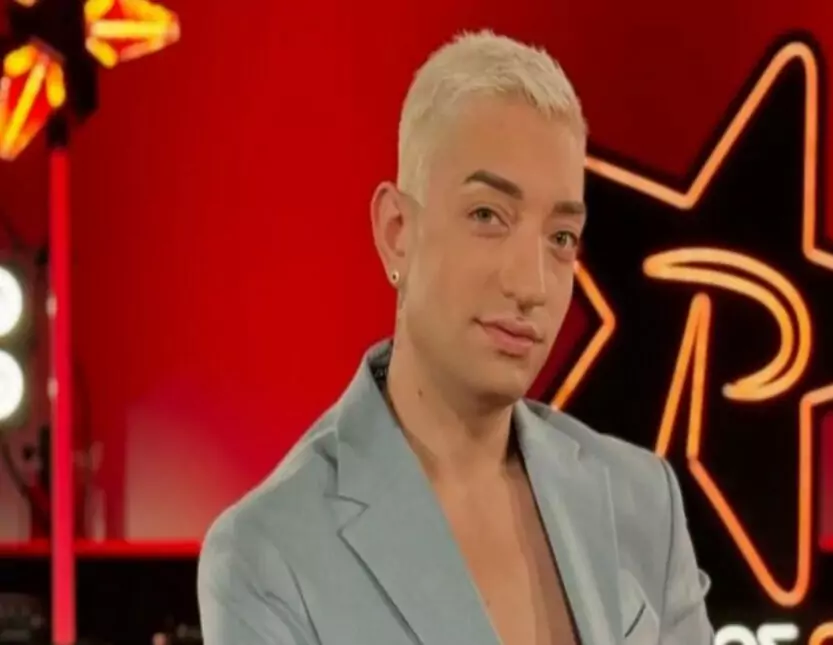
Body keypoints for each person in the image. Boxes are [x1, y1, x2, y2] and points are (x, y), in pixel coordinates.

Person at [197, 29, 714, 645]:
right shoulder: (270, 556)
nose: (531, 285)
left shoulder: (643, 504)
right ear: (397, 231)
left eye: (560, 238)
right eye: (487, 216)